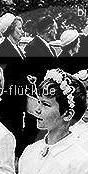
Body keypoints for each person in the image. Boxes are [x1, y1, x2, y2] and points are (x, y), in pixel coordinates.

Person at [0, 13, 28, 156]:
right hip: (9, 102)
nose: (22, 32)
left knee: (16, 132)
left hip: (17, 99)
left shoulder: (16, 47)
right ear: (11, 30)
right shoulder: (4, 49)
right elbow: (0, 79)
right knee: (10, 135)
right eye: (19, 29)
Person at [24, 16, 59, 153]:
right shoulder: (33, 47)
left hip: (47, 97)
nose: (56, 32)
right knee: (32, 130)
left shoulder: (48, 47)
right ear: (49, 29)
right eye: (55, 29)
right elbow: (34, 75)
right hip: (38, 98)